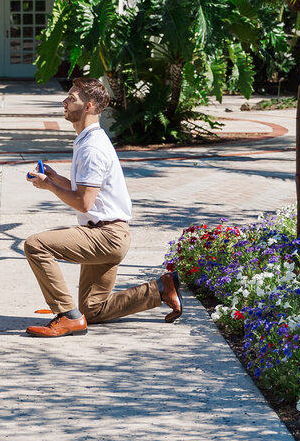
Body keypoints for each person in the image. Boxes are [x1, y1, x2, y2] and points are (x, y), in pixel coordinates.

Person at [22, 77, 182, 337]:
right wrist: (53, 178)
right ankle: (160, 290)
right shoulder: (88, 139)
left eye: (72, 98)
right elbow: (85, 190)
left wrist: (49, 187)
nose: (64, 101)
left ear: (89, 106)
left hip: (105, 236)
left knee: (36, 245)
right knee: (93, 310)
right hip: (109, 233)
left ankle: (66, 315)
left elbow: (83, 202)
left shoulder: (92, 147)